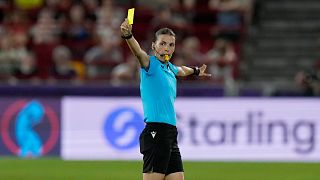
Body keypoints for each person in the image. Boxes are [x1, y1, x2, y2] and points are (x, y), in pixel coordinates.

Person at [120, 18, 211, 180]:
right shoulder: (150, 64)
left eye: (171, 45)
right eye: (162, 43)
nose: (167, 48)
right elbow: (138, 52)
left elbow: (182, 70)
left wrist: (196, 71)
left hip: (170, 133)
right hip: (156, 131)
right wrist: (128, 36)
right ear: (154, 45)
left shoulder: (170, 68)